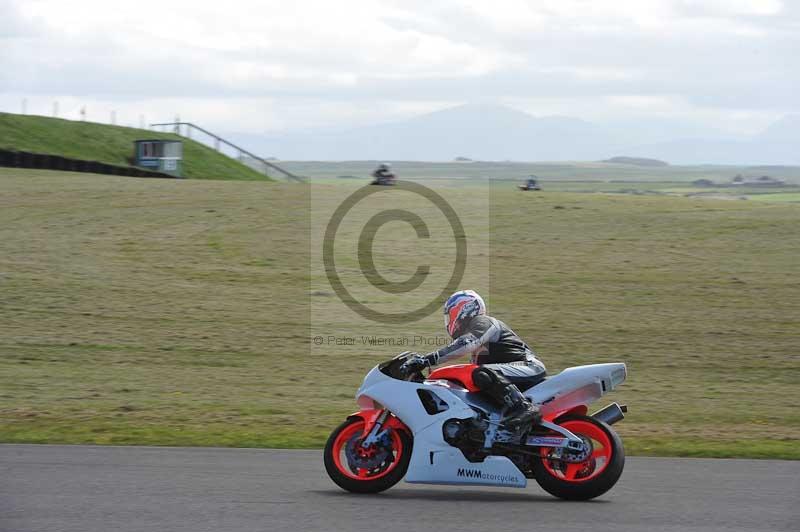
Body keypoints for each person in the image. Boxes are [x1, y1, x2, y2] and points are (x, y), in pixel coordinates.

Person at [401, 290, 544, 430]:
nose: (449, 321)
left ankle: (524, 408)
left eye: (450, 315)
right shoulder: (477, 350)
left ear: (464, 309)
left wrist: (427, 360)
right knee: (474, 379)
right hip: (512, 373)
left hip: (527, 366)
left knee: (480, 372)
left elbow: (467, 342)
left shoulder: (482, 321)